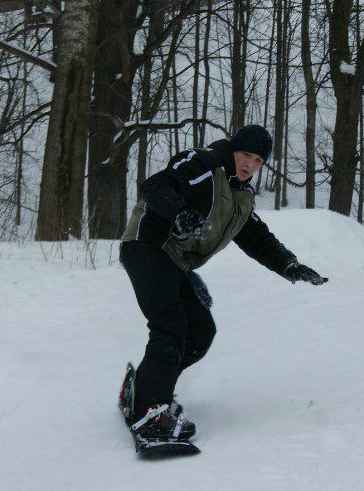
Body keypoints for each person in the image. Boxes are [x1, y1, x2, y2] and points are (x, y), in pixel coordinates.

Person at [119, 124, 328, 442]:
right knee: (170, 325)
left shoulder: (241, 195)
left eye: (258, 160)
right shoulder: (205, 164)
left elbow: (256, 237)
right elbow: (156, 185)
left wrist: (289, 265)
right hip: (148, 246)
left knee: (200, 332)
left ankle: (145, 389)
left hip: (175, 261)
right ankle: (149, 413)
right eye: (246, 155)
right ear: (233, 149)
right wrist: (180, 212)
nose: (250, 165)